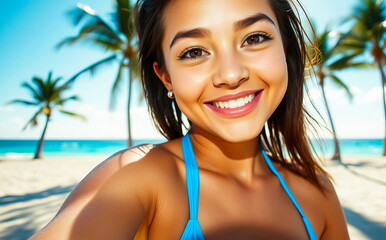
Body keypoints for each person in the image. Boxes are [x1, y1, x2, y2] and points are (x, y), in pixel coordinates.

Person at [31, 0, 350, 239]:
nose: (231, 74)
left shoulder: (317, 192)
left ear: (286, 49)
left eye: (254, 38)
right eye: (194, 51)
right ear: (166, 76)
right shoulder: (142, 179)